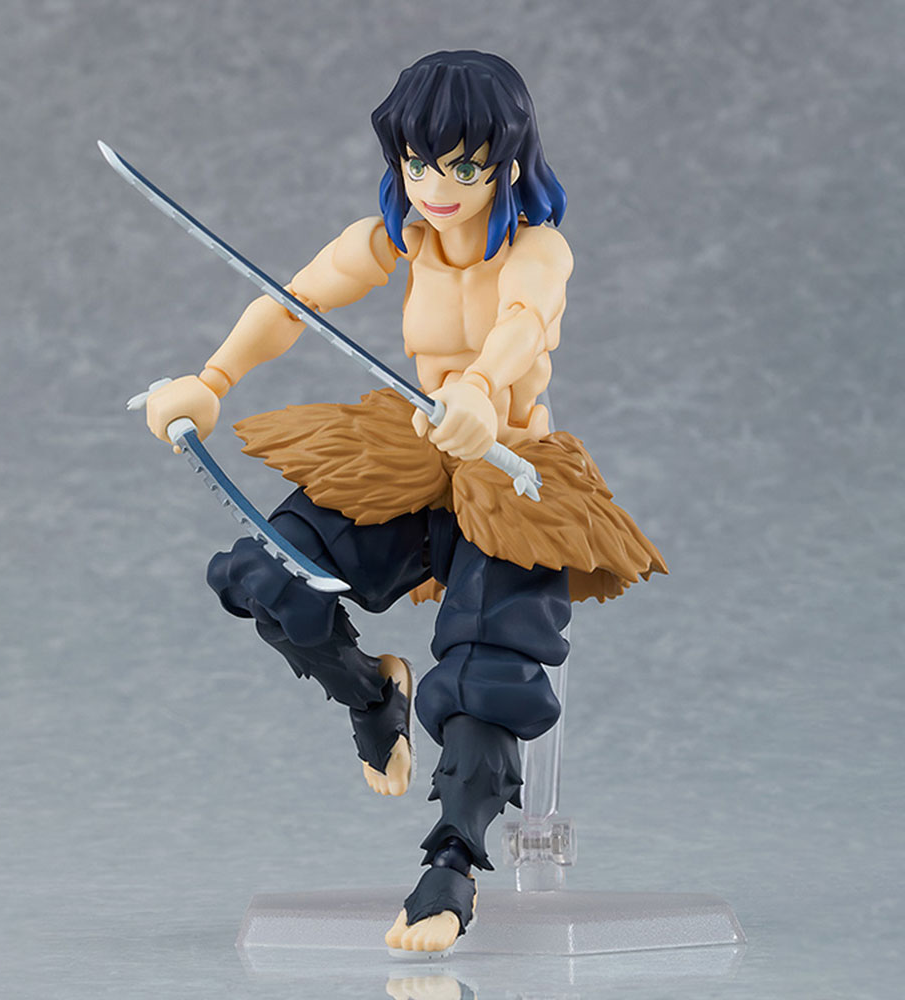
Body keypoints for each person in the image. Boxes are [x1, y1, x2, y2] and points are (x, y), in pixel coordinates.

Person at [145, 50, 666, 954]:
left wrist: (482, 390)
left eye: (462, 166)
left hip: (507, 470)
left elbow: (525, 321)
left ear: (507, 161)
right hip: (415, 454)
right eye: (418, 163)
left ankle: (452, 868)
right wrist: (211, 379)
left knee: (486, 676)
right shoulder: (396, 237)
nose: (436, 187)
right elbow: (292, 302)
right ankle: (371, 694)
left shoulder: (537, 247)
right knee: (269, 575)